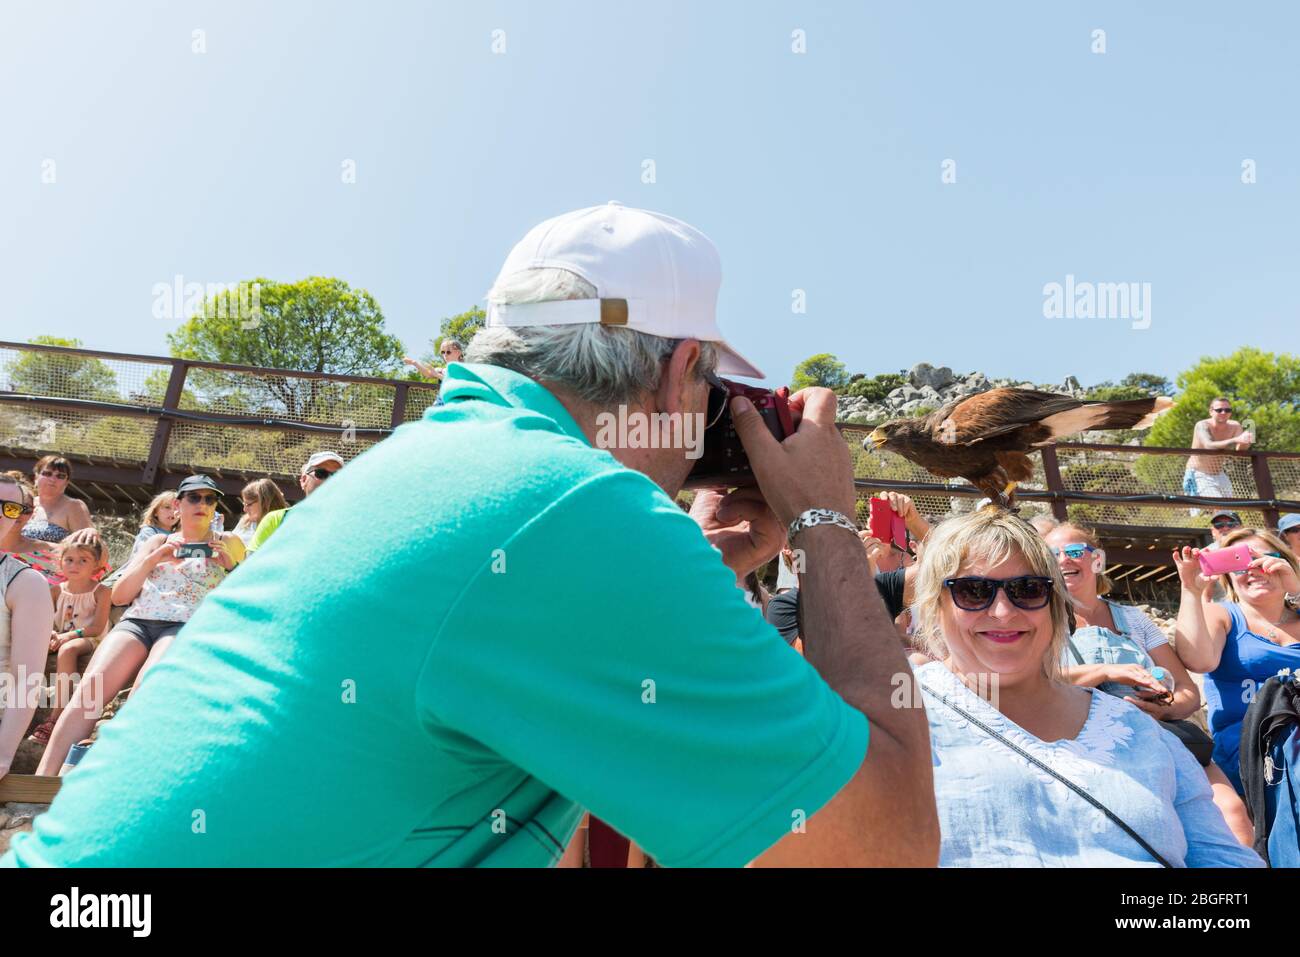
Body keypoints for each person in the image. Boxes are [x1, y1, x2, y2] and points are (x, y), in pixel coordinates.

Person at [7, 202, 938, 867]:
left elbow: (500, 628)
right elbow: (882, 849)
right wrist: (823, 521)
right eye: (708, 397)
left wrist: (703, 564)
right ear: (678, 372)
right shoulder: (571, 509)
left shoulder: (445, 468)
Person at [910, 507, 1262, 867]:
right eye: (973, 591)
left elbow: (1224, 859)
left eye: (1027, 589)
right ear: (934, 606)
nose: (1002, 612)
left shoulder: (1142, 734)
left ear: (1055, 605)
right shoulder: (896, 718)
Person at [1043, 521, 1253, 843]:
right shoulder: (1039, 621)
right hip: (1082, 746)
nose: (1063, 560)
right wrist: (1106, 671)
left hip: (1159, 735)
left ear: (1097, 560)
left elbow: (1187, 691)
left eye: (1074, 551)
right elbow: (1032, 679)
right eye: (1052, 553)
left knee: (1233, 816)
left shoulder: (1134, 620)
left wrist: (1162, 708)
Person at [33, 475, 245, 776]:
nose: (202, 504)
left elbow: (248, 598)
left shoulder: (230, 542)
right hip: (138, 621)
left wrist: (231, 567)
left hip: (184, 625)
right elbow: (120, 595)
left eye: (209, 499)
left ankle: (110, 779)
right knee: (89, 695)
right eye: (194, 497)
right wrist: (153, 559)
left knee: (146, 688)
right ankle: (38, 786)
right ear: (177, 505)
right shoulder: (157, 540)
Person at [1170, 528, 1300, 795]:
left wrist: (1296, 589)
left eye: (1265, 559)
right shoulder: (1223, 615)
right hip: (1251, 745)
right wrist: (1191, 590)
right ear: (1228, 576)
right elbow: (1199, 660)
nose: (1254, 569)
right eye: (1239, 564)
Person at [27, 539, 112, 745]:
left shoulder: (101, 591)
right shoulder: (56, 590)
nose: (74, 565)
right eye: (70, 560)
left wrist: (66, 636)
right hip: (61, 636)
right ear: (61, 562)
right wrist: (52, 634)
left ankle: (55, 717)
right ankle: (20, 707)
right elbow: (45, 620)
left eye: (83, 560)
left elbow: (97, 628)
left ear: (97, 565)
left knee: (67, 650)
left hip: (89, 638)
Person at [0, 474, 55, 779]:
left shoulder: (24, 582)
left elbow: (27, 679)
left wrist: (3, 754)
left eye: (9, 508)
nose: (0, 513)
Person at [246, 451, 343, 552]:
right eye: (321, 473)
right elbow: (251, 563)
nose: (330, 479)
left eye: (338, 475)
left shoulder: (351, 521)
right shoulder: (276, 520)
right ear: (304, 480)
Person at [1183, 398, 1252, 507]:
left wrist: (1246, 440)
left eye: (1227, 410)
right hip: (1199, 475)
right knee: (1211, 509)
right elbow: (1208, 445)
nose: (1223, 413)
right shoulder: (1202, 425)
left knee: (1229, 509)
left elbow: (1240, 450)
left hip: (1220, 474)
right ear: (1211, 411)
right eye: (1219, 410)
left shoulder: (1235, 426)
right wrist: (1235, 440)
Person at [233, 478, 288, 546]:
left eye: (249, 504)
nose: (244, 509)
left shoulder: (283, 526)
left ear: (264, 503)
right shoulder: (245, 521)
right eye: (244, 504)